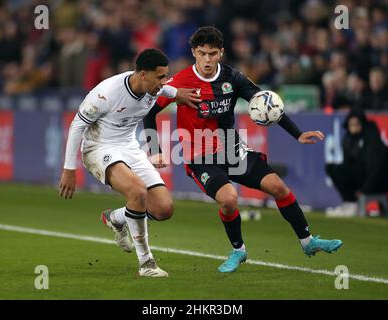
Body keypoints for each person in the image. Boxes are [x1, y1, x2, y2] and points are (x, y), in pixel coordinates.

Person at [144, 26, 342, 273]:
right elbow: (149, 111)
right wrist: (155, 149)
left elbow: (266, 104)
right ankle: (239, 250)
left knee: (278, 187)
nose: (208, 59)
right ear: (194, 52)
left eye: (213, 54)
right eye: (203, 53)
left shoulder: (233, 78)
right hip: (199, 156)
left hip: (232, 150)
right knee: (229, 199)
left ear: (221, 53)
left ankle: (308, 241)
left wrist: (298, 134)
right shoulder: (180, 82)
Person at [59, 48, 201, 277]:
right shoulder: (106, 93)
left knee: (164, 209)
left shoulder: (154, 87)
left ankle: (116, 217)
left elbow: (168, 89)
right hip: (99, 148)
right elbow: (77, 125)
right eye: (160, 76)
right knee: (137, 192)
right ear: (143, 74)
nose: (163, 82)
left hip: (129, 148)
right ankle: (147, 263)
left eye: (166, 76)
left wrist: (180, 95)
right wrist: (69, 168)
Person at [325, 109, 388, 217]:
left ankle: (353, 205)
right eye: (351, 124)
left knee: (346, 169)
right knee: (332, 168)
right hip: (361, 177)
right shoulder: (348, 139)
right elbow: (347, 165)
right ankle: (349, 203)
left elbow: (374, 166)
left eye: (357, 124)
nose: (354, 127)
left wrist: (364, 189)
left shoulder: (371, 137)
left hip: (380, 180)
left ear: (362, 123)